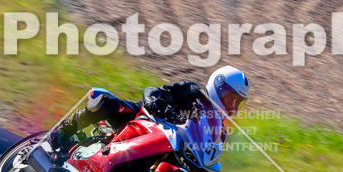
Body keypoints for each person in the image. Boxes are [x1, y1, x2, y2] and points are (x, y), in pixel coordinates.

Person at [49, 66, 249, 153]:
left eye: (237, 102)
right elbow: (156, 91)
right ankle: (64, 130)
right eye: (231, 97)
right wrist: (157, 103)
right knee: (110, 106)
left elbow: (211, 151)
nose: (232, 105)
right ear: (219, 86)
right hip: (145, 120)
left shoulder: (219, 129)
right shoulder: (192, 92)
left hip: (168, 146)